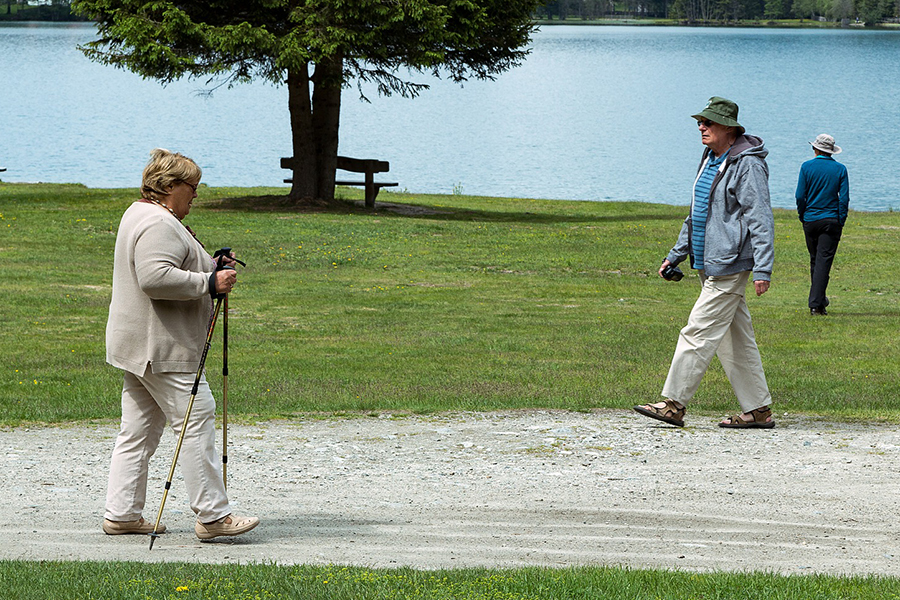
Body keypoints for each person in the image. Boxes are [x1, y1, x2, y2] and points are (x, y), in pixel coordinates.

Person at [103, 148, 259, 539]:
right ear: (170, 186)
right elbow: (155, 277)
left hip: (141, 346)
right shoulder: (158, 223)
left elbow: (172, 263)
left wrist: (212, 263)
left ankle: (121, 514)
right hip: (164, 347)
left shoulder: (141, 212)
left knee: (138, 430)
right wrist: (208, 282)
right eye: (192, 187)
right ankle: (213, 517)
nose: (195, 195)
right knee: (196, 419)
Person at [633, 97, 775, 429]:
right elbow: (698, 214)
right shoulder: (712, 158)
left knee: (697, 330)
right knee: (732, 338)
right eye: (700, 122)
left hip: (731, 263)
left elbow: (761, 219)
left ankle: (673, 404)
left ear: (728, 128)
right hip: (708, 261)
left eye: (708, 123)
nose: (701, 127)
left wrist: (763, 268)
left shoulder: (747, 164)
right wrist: (675, 253)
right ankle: (758, 410)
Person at [795, 134, 849, 316]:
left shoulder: (806, 167)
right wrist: (840, 219)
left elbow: (800, 196)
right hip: (831, 220)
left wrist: (802, 214)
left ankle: (819, 300)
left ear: (815, 149)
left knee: (815, 260)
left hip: (811, 219)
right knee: (823, 261)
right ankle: (816, 304)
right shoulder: (840, 169)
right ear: (831, 151)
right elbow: (844, 199)